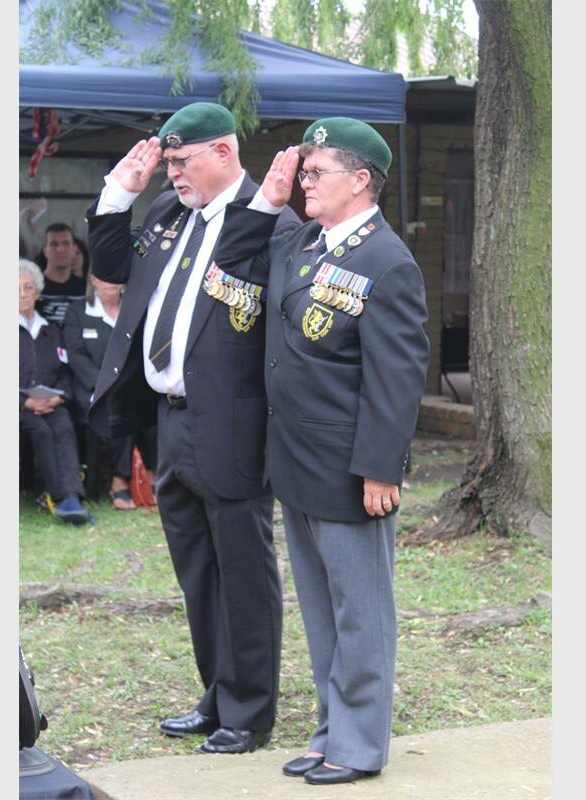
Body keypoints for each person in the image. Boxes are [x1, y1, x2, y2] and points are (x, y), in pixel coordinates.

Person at [214, 118, 430, 784]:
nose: (305, 182)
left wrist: (378, 468)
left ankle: (360, 745)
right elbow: (232, 268)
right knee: (320, 611)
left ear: (360, 181)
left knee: (360, 612)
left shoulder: (385, 259)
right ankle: (331, 729)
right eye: (303, 173)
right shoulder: (304, 241)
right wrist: (269, 197)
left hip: (348, 468)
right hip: (297, 461)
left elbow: (397, 376)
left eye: (315, 173)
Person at [86, 102, 299, 754]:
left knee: (242, 571)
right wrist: (119, 191)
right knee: (198, 573)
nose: (172, 172)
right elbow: (114, 266)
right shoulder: (170, 215)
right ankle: (217, 695)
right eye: (168, 161)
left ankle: (251, 710)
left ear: (224, 154)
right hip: (169, 422)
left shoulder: (270, 222)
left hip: (232, 424)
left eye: (183, 161)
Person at [63, 274, 157, 510]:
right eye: (103, 279)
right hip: (93, 386)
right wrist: (103, 384)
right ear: (93, 280)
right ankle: (120, 479)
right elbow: (76, 355)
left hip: (133, 382)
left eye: (114, 279)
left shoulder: (135, 307)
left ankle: (153, 475)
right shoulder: (78, 311)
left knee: (152, 409)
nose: (109, 284)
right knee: (117, 407)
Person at [19, 258, 90, 525]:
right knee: (41, 430)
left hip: (50, 401)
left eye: (28, 288)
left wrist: (59, 396)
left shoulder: (50, 329)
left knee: (63, 426)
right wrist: (24, 402)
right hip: (20, 406)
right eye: (15, 289)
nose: (22, 294)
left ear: (37, 293)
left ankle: (72, 497)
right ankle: (57, 496)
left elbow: (64, 370)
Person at [37, 223, 86, 324]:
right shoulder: (32, 287)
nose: (60, 249)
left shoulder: (86, 289)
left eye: (66, 243)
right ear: (45, 251)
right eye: (54, 244)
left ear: (74, 249)